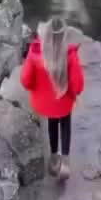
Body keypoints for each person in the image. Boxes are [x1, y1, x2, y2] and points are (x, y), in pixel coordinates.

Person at [20, 16, 84, 180]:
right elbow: (78, 86)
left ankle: (54, 157)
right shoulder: (70, 56)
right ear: (64, 36)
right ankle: (66, 162)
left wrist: (37, 87)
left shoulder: (35, 54)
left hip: (46, 104)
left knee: (52, 124)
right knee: (65, 124)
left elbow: (26, 81)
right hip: (64, 103)